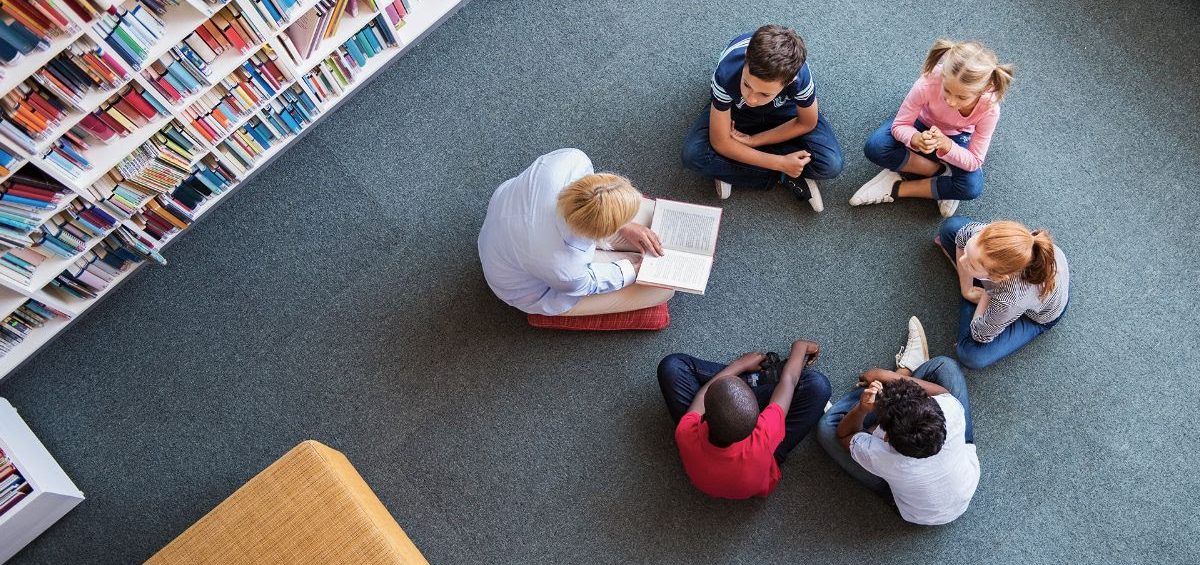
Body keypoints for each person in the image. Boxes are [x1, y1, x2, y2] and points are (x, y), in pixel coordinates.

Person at [817, 317, 980, 525]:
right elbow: (942, 393)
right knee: (944, 367)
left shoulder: (883, 457)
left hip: (913, 509)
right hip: (964, 486)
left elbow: (844, 434)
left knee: (826, 428)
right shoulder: (949, 409)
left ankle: (894, 380)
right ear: (935, 407)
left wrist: (862, 408)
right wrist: (883, 375)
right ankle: (899, 375)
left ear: (884, 436)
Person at [477, 148, 674, 316]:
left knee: (651, 219)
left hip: (512, 226)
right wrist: (634, 270)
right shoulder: (565, 270)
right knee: (661, 291)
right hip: (533, 284)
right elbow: (588, 282)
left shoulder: (570, 161)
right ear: (602, 232)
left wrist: (625, 225)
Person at [681, 24, 844, 210]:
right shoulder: (726, 73)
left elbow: (807, 122)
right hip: (737, 112)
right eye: (747, 84)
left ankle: (733, 167)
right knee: (693, 155)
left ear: (789, 81)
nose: (751, 98)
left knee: (831, 164)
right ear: (745, 62)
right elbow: (720, 142)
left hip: (784, 109)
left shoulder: (800, 77)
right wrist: (781, 164)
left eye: (764, 94)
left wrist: (753, 141)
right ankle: (783, 175)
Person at [852, 39, 1015, 217]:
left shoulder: (990, 108)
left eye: (962, 97)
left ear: (985, 89)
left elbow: (975, 161)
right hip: (921, 123)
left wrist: (947, 145)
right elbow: (900, 125)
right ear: (943, 76)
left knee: (971, 187)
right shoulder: (928, 82)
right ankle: (940, 173)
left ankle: (897, 187)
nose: (952, 101)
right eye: (947, 90)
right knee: (875, 147)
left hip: (957, 137)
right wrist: (915, 138)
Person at [657, 339, 832, 499]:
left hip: (715, 457)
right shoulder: (764, 433)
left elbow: (705, 394)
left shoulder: (686, 431)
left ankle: (749, 381)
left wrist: (740, 364)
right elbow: (789, 380)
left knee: (672, 366)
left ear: (703, 417)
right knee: (818, 385)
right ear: (758, 420)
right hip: (766, 458)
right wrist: (800, 347)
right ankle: (757, 381)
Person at [935, 216, 1069, 369]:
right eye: (967, 252)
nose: (962, 261)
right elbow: (961, 238)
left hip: (1040, 315)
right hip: (1010, 287)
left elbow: (980, 333)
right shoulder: (979, 234)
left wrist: (989, 293)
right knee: (950, 228)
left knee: (970, 354)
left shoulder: (1009, 299)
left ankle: (986, 300)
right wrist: (967, 290)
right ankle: (979, 289)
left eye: (971, 264)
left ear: (998, 278)